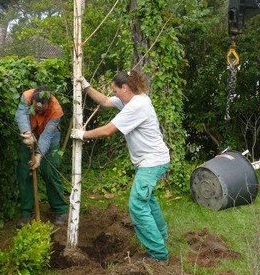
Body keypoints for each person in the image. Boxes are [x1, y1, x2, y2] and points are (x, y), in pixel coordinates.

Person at [71, 71, 171, 263]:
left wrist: (82, 134)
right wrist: (86, 86)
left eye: (116, 91)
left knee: (137, 205)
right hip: (154, 159)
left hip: (152, 162)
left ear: (125, 88)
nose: (115, 95)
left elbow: (108, 130)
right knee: (148, 200)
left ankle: (159, 254)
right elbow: (106, 102)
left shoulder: (137, 106)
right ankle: (161, 234)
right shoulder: (133, 99)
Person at [15, 86, 68, 227]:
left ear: (48, 103)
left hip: (50, 137)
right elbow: (21, 114)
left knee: (49, 170)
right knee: (25, 170)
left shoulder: (56, 109)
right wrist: (26, 133)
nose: (39, 111)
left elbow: (46, 136)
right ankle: (27, 213)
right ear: (32, 101)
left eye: (42, 110)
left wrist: (38, 156)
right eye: (36, 109)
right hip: (30, 134)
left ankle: (60, 209)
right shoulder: (26, 97)